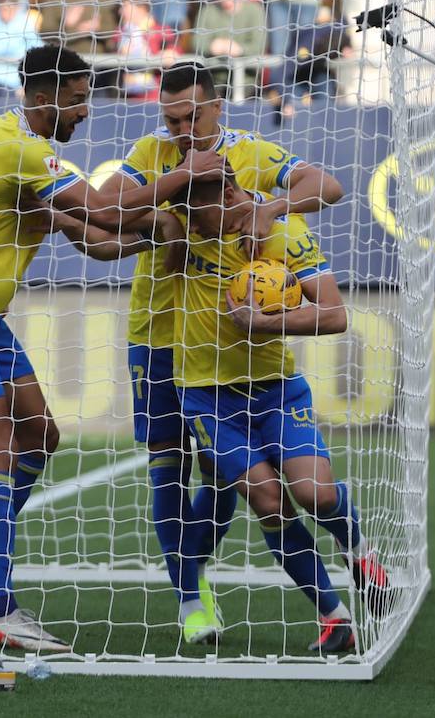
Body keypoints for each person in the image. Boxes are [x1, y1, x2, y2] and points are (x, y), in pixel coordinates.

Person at [0, 45, 227, 652]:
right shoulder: (21, 150)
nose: (84, 114)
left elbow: (90, 238)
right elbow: (102, 207)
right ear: (43, 97)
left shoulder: (21, 146)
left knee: (40, 436)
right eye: (77, 102)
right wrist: (182, 178)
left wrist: (152, 235)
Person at [97, 60, 345, 644]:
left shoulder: (251, 152)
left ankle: (197, 567)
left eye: (189, 117)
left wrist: (270, 209)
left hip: (224, 337)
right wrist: (169, 197)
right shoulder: (151, 152)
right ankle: (190, 600)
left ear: (216, 108)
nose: (178, 129)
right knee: (166, 467)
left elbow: (327, 186)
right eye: (169, 118)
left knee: (222, 474)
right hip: (156, 329)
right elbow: (103, 216)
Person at [172, 168, 389, 653]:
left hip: (277, 391)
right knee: (269, 501)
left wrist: (264, 322)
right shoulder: (181, 228)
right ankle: (334, 617)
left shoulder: (287, 232)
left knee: (314, 493)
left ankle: (358, 550)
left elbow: (334, 314)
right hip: (207, 396)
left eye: (201, 214)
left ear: (229, 194)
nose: (196, 225)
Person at [192, 0, 267, 100]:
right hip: (213, 81)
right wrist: (211, 46)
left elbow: (259, 46)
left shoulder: (255, 10)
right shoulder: (207, 11)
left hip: (247, 82)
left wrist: (240, 49)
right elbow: (196, 42)